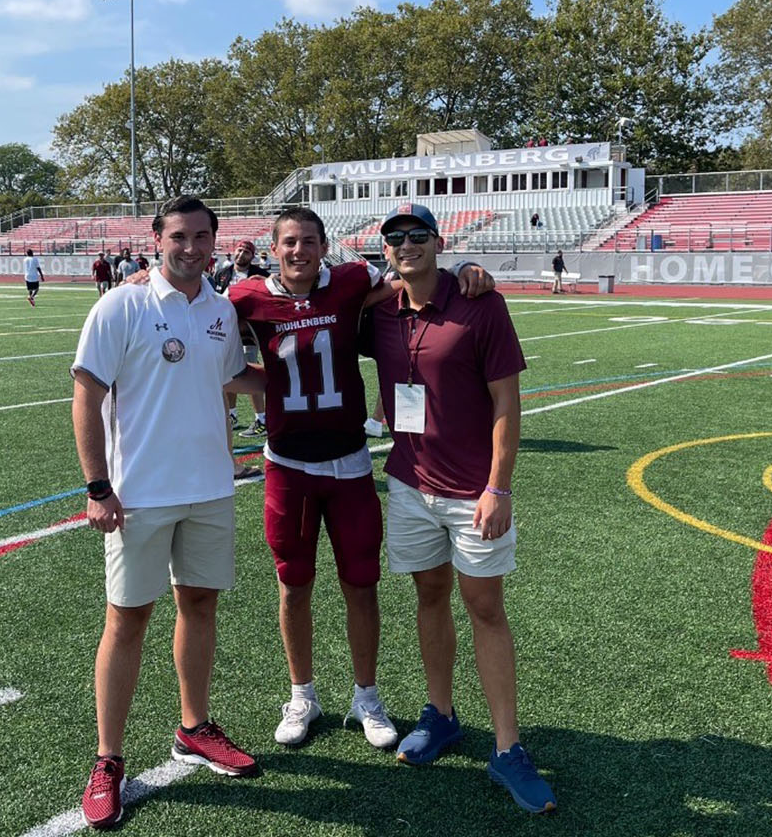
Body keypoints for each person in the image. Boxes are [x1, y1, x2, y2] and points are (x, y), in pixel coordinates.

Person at [227, 205, 496, 752]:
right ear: (273, 249)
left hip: (350, 463)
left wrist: (465, 265)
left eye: (308, 241)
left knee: (360, 583)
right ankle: (302, 693)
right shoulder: (247, 297)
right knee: (294, 583)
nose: (298, 250)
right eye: (288, 242)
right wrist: (144, 279)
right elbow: (199, 318)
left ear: (325, 246)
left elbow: (409, 281)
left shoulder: (352, 281)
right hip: (288, 464)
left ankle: (366, 695)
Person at [72, 196, 267, 830]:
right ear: (156, 239)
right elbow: (87, 394)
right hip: (139, 497)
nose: (191, 247)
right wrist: (98, 486)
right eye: (179, 236)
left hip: (210, 488)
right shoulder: (121, 304)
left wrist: (322, 364)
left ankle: (194, 725)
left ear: (216, 241)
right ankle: (107, 759)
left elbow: (238, 378)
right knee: (127, 622)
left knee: (200, 606)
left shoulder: (219, 310)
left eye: (202, 237)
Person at [365, 205, 555, 814]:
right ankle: (441, 713)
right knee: (428, 595)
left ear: (439, 242)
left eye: (418, 235)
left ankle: (508, 747)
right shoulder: (380, 310)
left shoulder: (480, 303)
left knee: (486, 607)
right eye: (395, 238)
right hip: (409, 484)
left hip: (473, 490)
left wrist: (499, 487)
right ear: (386, 250)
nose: (407, 244)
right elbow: (305, 299)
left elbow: (507, 402)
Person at [212, 239, 271, 451]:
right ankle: (232, 415)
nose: (241, 254)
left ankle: (261, 419)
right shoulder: (222, 273)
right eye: (239, 249)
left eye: (247, 251)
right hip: (226, 331)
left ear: (252, 256)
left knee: (248, 372)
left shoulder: (260, 275)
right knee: (227, 374)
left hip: (250, 332)